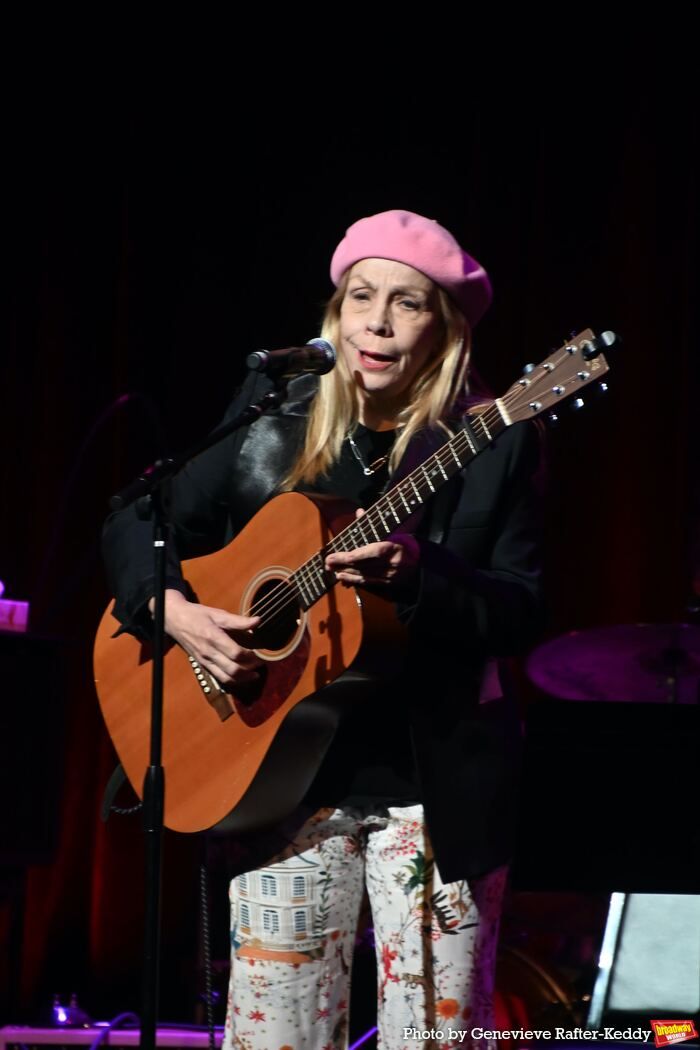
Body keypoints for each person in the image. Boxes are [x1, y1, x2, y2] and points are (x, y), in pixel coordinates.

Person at [102, 210, 544, 1050]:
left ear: (443, 329)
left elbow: (521, 610)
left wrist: (422, 574)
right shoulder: (274, 415)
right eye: (361, 297)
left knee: (436, 1040)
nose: (376, 321)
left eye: (406, 303)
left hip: (431, 792)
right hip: (276, 781)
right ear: (335, 314)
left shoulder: (495, 441)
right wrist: (175, 612)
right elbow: (137, 520)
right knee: (277, 1037)